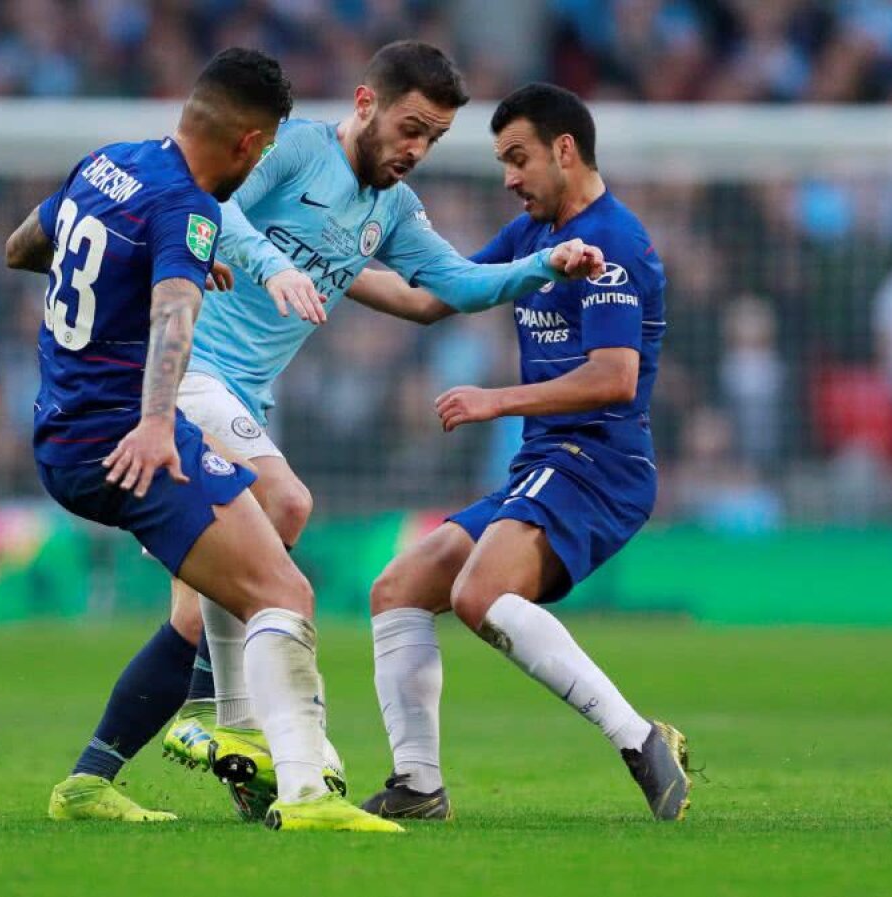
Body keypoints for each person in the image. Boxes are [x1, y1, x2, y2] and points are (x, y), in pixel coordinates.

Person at [156, 40, 604, 820]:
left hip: (247, 398)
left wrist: (545, 264)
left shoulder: (390, 209)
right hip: (188, 369)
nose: (417, 150)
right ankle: (219, 718)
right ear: (366, 104)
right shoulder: (295, 151)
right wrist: (273, 267)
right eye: (410, 128)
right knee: (285, 505)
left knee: (210, 599)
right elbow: (211, 208)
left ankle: (189, 747)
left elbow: (456, 282)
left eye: (432, 138)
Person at [4, 47, 399, 833]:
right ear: (252, 145)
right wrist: (155, 423)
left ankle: (91, 779)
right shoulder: (185, 206)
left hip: (62, 428)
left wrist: (150, 263)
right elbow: (173, 319)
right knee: (283, 591)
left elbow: (23, 248)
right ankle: (306, 794)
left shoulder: (108, 163)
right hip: (125, 438)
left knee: (245, 559)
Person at [346, 83, 690, 822]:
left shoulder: (615, 242)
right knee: (397, 588)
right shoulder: (532, 234)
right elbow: (433, 298)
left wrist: (493, 399)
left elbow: (614, 377)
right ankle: (418, 784)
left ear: (564, 150)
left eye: (517, 158)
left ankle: (638, 740)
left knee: (476, 595)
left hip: (599, 466)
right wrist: (323, 268)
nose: (508, 178)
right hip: (542, 466)